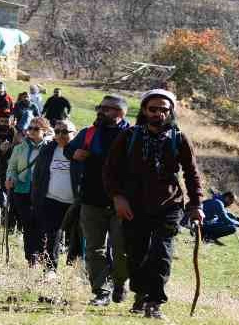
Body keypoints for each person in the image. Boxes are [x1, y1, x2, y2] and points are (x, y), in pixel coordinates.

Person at [103, 88, 204, 319]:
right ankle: (140, 294)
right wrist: (117, 197)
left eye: (163, 109)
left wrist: (196, 204)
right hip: (133, 205)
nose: (158, 113)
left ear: (170, 112)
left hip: (169, 205)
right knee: (136, 253)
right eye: (153, 109)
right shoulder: (129, 136)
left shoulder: (179, 138)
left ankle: (155, 302)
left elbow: (191, 173)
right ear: (144, 110)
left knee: (161, 253)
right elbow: (110, 170)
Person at [64, 95, 130, 306]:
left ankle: (120, 283)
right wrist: (75, 152)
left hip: (122, 203)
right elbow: (68, 149)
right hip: (91, 201)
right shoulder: (88, 133)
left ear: (120, 113)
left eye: (107, 109)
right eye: (100, 108)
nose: (101, 112)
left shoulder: (133, 135)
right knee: (94, 249)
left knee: (123, 249)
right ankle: (101, 291)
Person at [31, 120, 78, 276]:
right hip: (51, 199)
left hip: (74, 202)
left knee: (77, 236)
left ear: (74, 133)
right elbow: (38, 174)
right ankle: (50, 269)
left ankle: (79, 269)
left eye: (64, 132)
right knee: (52, 234)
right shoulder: (49, 149)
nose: (59, 135)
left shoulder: (80, 151)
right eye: (57, 131)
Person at [6, 117, 53, 267]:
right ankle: (31, 258)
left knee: (41, 224)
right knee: (27, 224)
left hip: (43, 191)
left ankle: (41, 254)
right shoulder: (19, 147)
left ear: (44, 131)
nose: (31, 131)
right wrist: (11, 178)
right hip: (22, 189)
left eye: (35, 129)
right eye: (30, 128)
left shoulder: (50, 148)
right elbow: (12, 168)